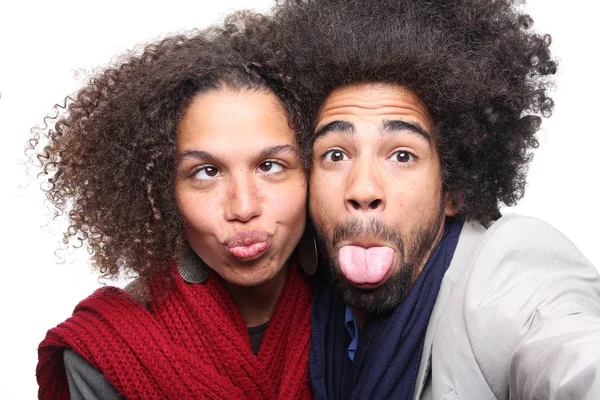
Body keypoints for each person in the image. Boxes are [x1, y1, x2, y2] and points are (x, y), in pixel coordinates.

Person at [268, 0, 600, 398]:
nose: (363, 190)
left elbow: (573, 360)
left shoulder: (503, 274)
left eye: (402, 155)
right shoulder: (301, 293)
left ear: (453, 189)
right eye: (335, 155)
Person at [32, 12, 315, 400]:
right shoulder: (106, 349)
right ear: (162, 191)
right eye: (206, 172)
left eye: (270, 166)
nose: (244, 206)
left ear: (314, 170)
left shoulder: (369, 312)